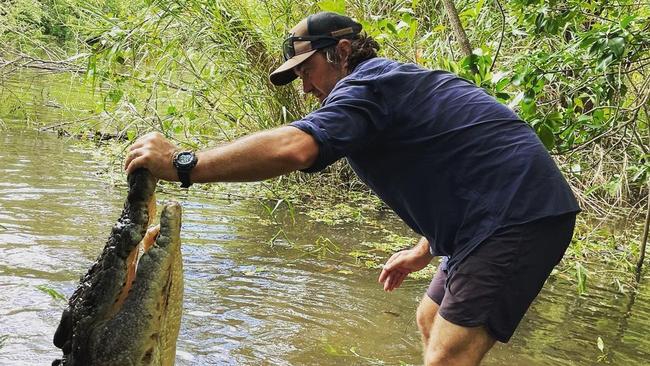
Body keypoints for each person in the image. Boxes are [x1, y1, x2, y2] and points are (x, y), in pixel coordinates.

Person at [124, 12, 580, 366]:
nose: (304, 86)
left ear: (342, 50)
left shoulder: (368, 85)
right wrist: (424, 249)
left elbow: (295, 148)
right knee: (429, 318)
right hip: (490, 216)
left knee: (448, 353)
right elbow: (459, 161)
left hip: (517, 216)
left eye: (307, 69)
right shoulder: (387, 85)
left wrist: (185, 163)